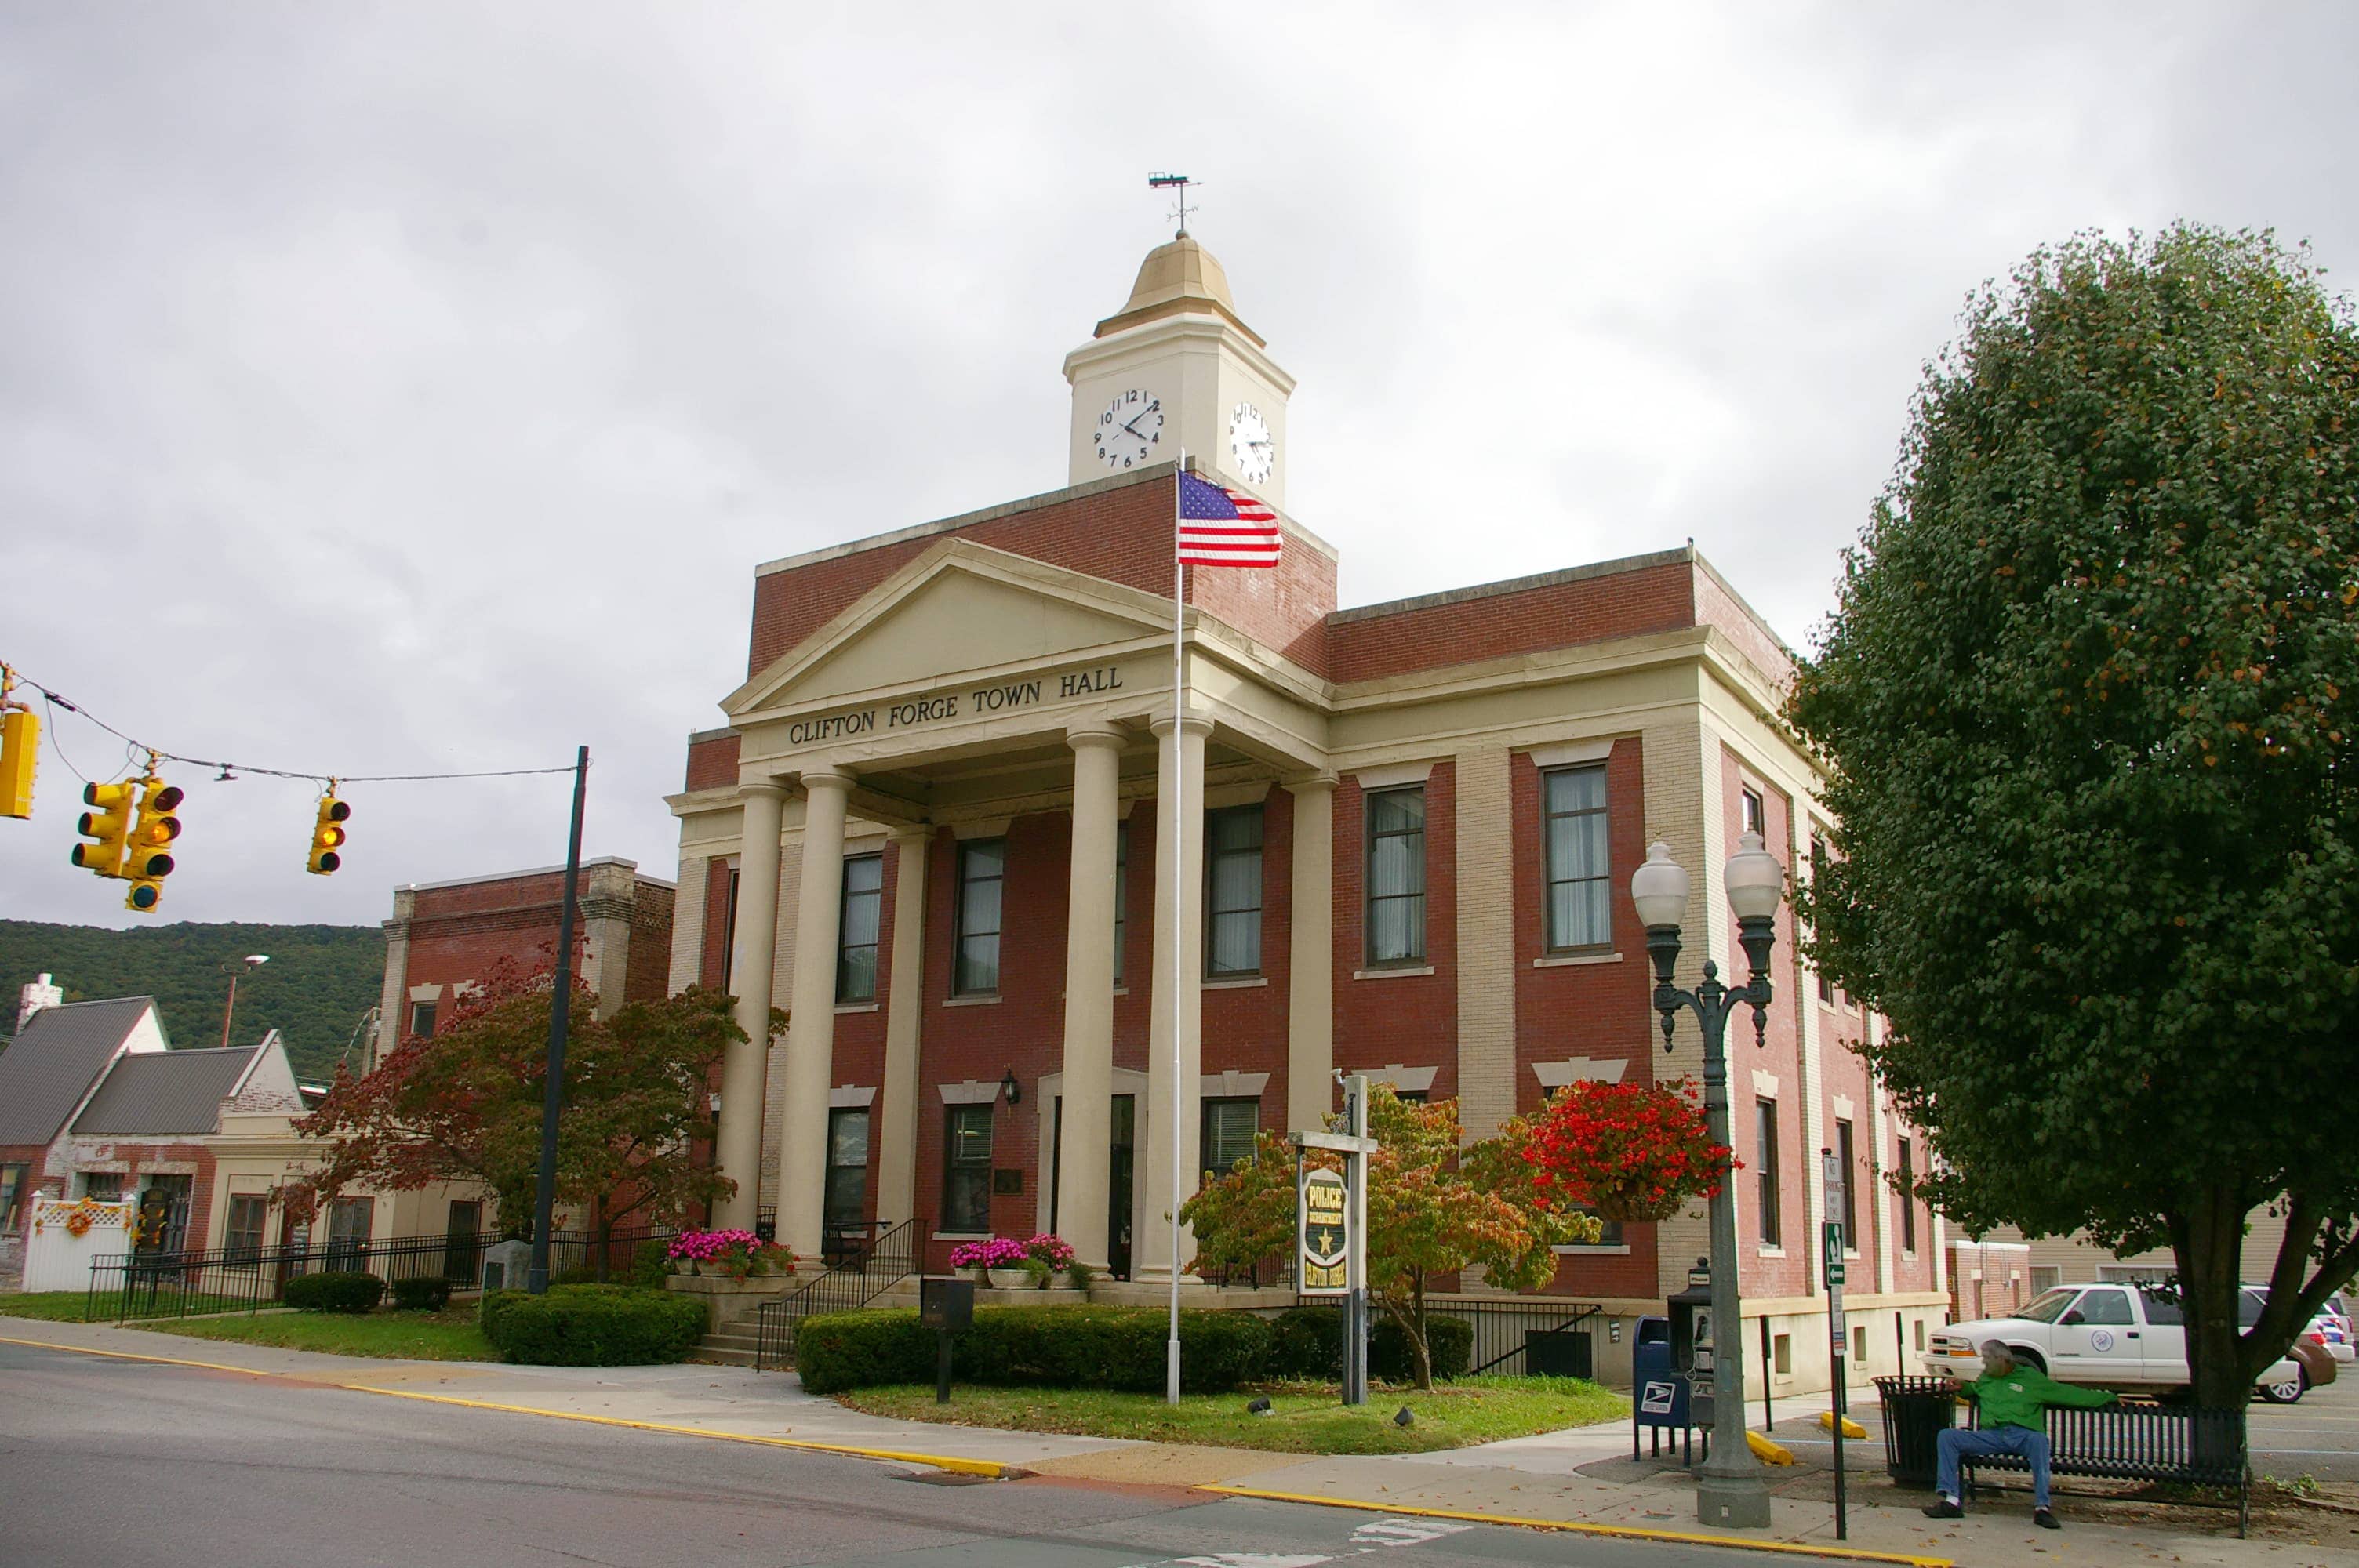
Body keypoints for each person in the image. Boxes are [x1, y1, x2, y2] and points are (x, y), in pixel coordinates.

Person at [1921, 1340, 2117, 1530]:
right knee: (1947, 1436)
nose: (1984, 1363)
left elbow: (2068, 1393)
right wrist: (1962, 1387)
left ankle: (2042, 1508)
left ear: (2002, 1360)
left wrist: (2108, 1397)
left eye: (1987, 1359)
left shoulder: (2030, 1379)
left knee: (2039, 1441)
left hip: (2024, 1435)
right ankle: (1952, 1501)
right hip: (1993, 1435)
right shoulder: (1987, 1378)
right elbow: (1974, 1390)